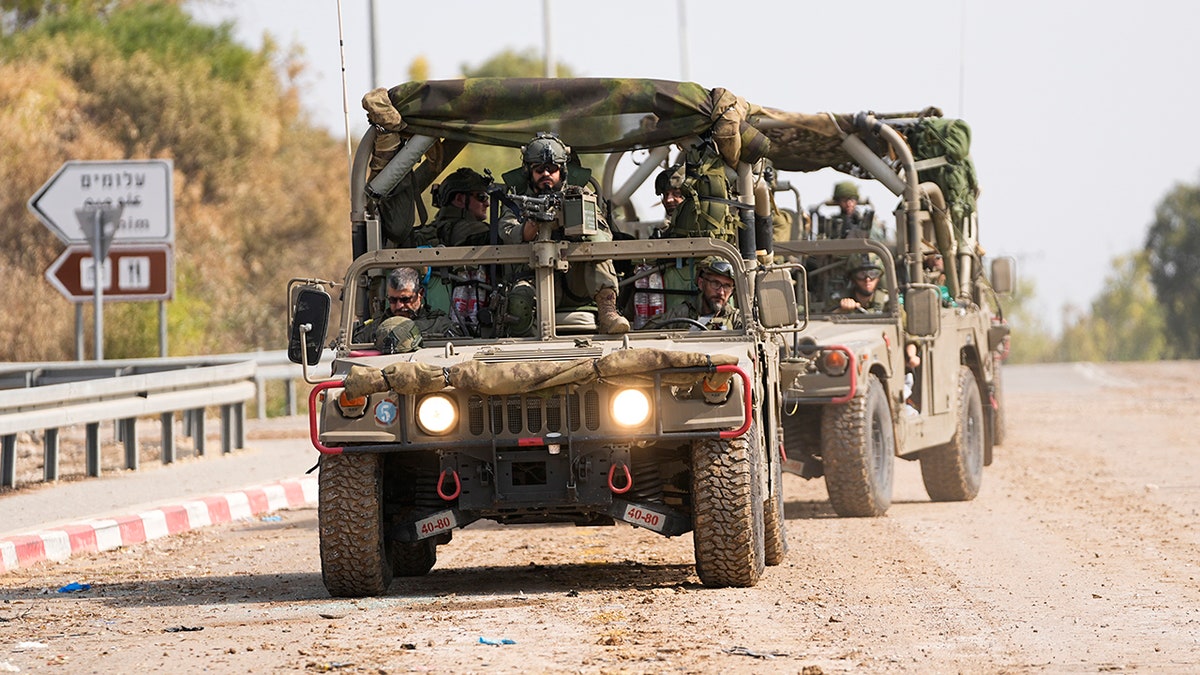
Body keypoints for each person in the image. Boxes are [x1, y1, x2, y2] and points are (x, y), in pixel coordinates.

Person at [500, 132, 629, 334]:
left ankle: (608, 312)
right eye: (539, 169)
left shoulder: (581, 196)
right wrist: (533, 223)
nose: (546, 174)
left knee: (598, 252)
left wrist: (571, 219)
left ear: (562, 171)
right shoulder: (517, 200)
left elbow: (604, 237)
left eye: (552, 169)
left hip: (578, 281)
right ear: (529, 172)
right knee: (518, 301)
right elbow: (508, 233)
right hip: (533, 278)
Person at [355, 267, 462, 351]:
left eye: (405, 299)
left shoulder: (440, 326)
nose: (399, 306)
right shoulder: (375, 327)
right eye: (392, 300)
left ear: (420, 294)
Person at [645, 257, 742, 331]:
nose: (721, 292)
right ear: (701, 283)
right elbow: (646, 336)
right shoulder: (681, 314)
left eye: (727, 286)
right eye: (715, 283)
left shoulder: (736, 319)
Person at [431, 167, 493, 247]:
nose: (487, 204)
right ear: (459, 199)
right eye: (481, 197)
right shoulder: (469, 230)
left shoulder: (435, 229)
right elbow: (507, 236)